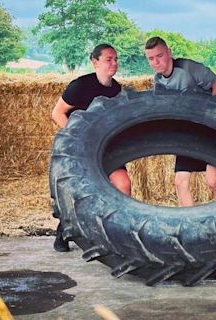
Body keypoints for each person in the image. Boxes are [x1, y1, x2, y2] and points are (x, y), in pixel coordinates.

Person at [51, 44, 131, 252]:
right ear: (95, 62)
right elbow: (57, 113)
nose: (114, 63)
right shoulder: (79, 86)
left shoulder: (117, 90)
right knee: (82, 194)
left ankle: (117, 233)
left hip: (108, 147)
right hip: (82, 148)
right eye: (108, 59)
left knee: (123, 185)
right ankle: (63, 232)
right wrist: (78, 136)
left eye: (115, 59)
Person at [144, 36, 216, 207]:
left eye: (159, 56)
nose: (155, 62)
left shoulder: (188, 67)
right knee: (180, 182)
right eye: (151, 59)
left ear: (169, 53)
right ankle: (190, 225)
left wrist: (210, 115)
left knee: (213, 181)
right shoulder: (158, 81)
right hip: (188, 135)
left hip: (210, 131)